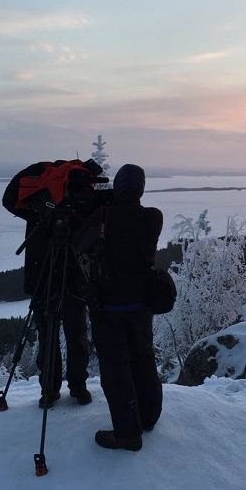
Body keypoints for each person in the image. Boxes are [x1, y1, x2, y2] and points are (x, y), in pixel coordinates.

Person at [76, 163, 163, 451]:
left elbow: (80, 244)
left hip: (109, 308)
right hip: (141, 308)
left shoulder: (102, 216)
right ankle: (148, 417)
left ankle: (127, 434)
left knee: (116, 370)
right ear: (141, 188)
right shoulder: (152, 217)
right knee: (143, 360)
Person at [2, 160, 93, 408]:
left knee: (48, 335)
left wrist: (41, 170)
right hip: (72, 276)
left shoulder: (38, 203)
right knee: (76, 335)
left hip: (41, 274)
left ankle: (49, 390)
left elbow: (8, 198)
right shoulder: (81, 201)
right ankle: (79, 388)